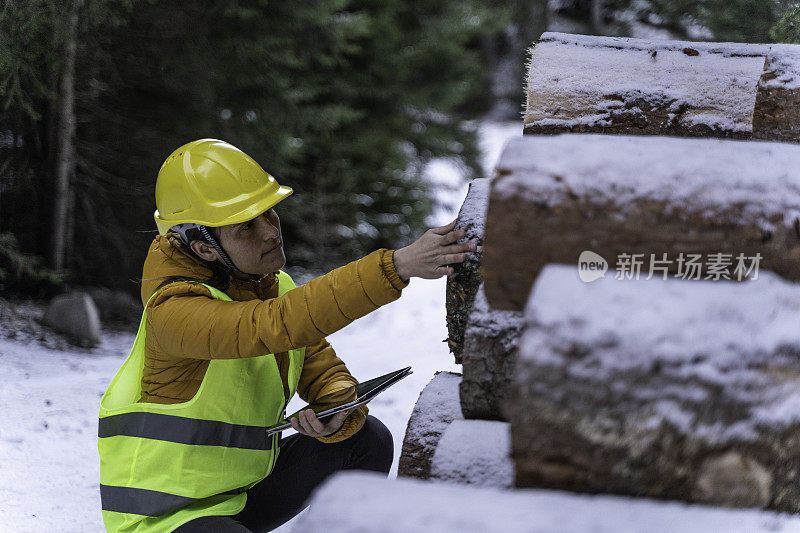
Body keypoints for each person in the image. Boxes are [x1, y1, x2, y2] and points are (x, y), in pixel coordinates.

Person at [97, 138, 476, 532]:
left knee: (367, 439)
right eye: (247, 227)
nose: (270, 232)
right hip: (164, 518)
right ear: (204, 249)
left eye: (269, 213)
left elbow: (320, 366)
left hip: (243, 498)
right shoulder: (172, 311)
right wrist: (396, 266)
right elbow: (273, 324)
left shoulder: (273, 286)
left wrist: (335, 408)